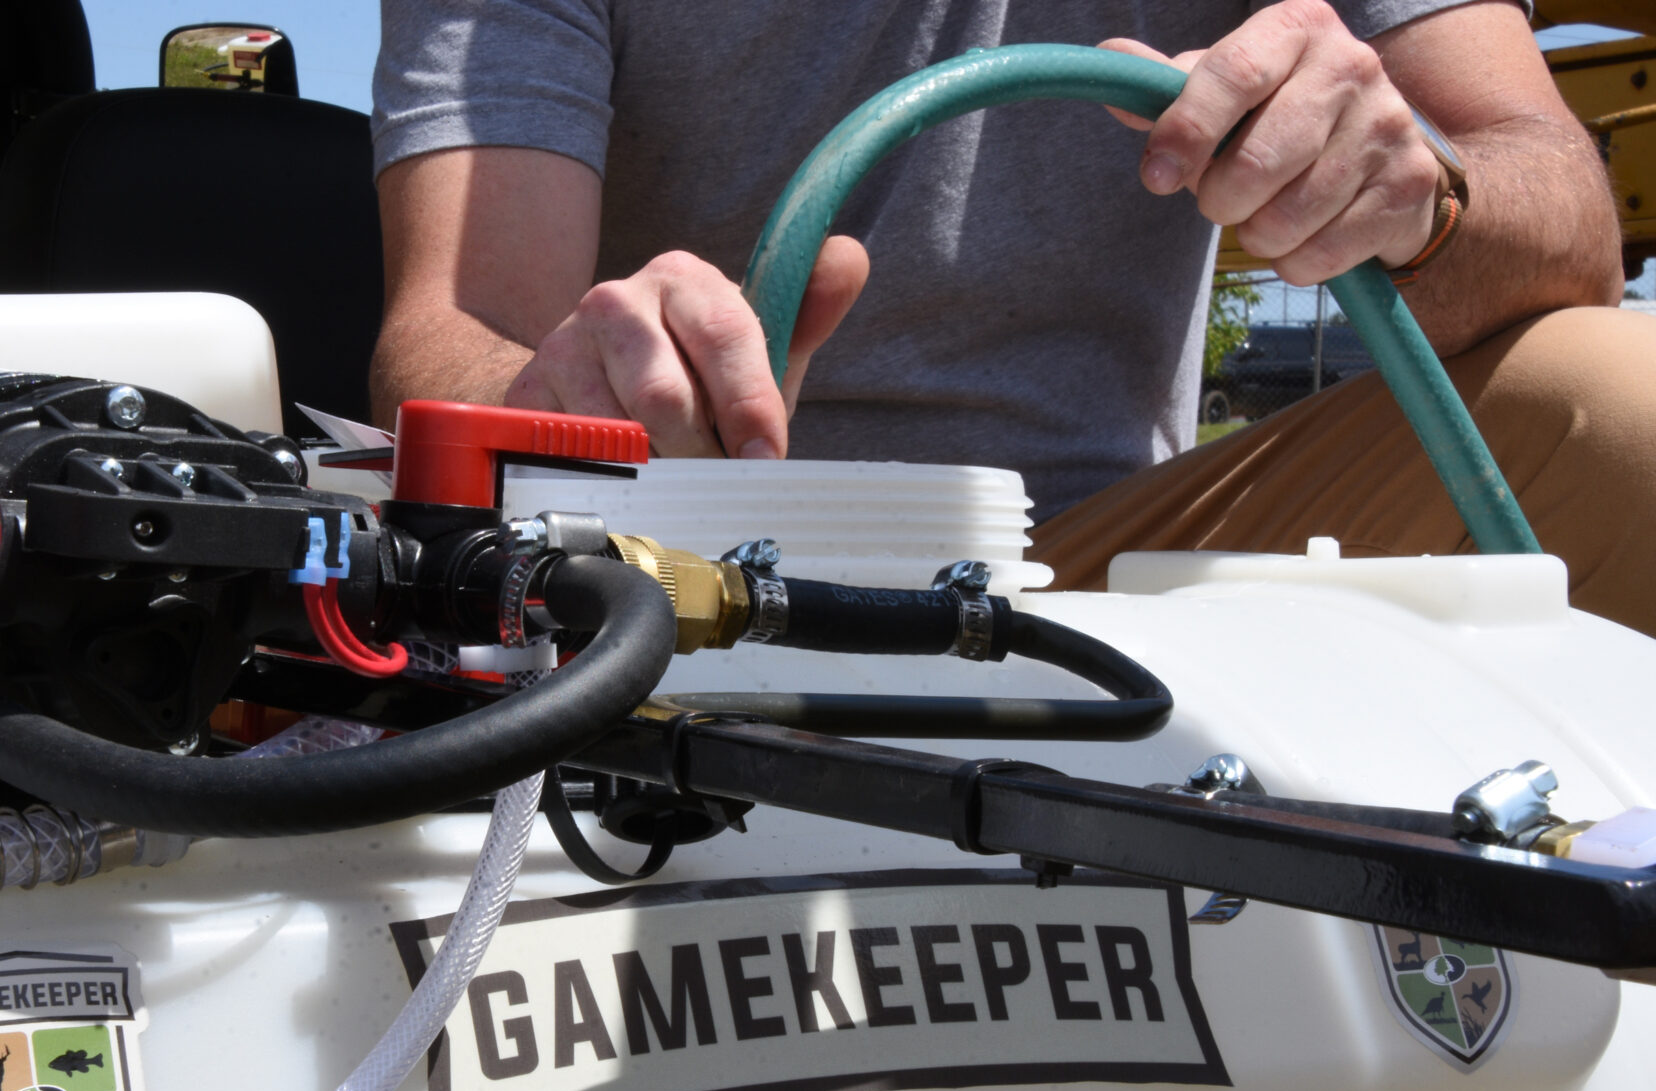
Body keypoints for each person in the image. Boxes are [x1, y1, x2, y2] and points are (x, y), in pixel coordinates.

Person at [369, 0, 1654, 633]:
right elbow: (452, 331)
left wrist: (1416, 200)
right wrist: (581, 395)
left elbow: (1568, 220)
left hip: (1107, 569)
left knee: (1626, 409)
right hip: (679, 567)